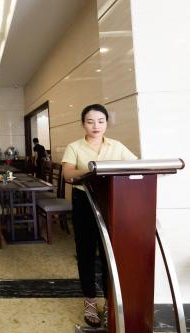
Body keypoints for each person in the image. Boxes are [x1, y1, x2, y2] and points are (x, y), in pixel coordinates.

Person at [61, 104, 137, 328]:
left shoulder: (117, 146)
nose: (96, 126)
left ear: (107, 123)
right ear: (83, 123)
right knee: (85, 252)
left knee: (109, 255)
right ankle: (90, 302)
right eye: (90, 121)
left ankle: (110, 303)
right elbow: (68, 174)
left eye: (101, 121)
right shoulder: (74, 147)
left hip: (112, 202)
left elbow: (135, 165)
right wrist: (93, 171)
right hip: (84, 201)